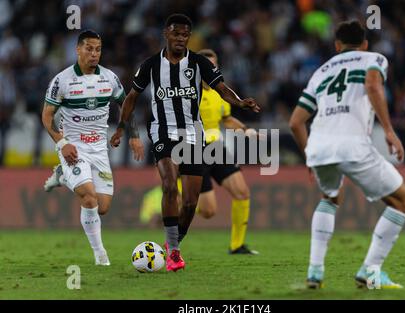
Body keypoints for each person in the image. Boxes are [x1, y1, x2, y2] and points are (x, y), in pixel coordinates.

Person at [110, 14, 260, 272]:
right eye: (176, 34)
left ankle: (174, 247)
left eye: (185, 35)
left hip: (194, 134)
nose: (180, 39)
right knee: (170, 185)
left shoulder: (199, 63)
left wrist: (239, 102)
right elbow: (132, 97)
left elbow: (223, 89)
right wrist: (122, 127)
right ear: (166, 34)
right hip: (162, 132)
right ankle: (173, 250)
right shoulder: (150, 65)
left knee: (191, 202)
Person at [289, 20, 405, 289]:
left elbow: (295, 122)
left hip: (320, 146)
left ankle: (315, 271)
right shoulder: (374, 58)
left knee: (331, 196)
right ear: (365, 43)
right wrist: (390, 131)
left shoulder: (321, 71)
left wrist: (310, 155)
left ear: (337, 46)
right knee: (403, 201)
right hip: (353, 144)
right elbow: (372, 86)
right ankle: (370, 272)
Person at [41, 30, 144, 266]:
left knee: (103, 207)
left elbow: (126, 105)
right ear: (77, 49)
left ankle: (62, 176)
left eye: (98, 49)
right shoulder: (62, 80)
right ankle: (100, 254)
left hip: (98, 149)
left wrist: (130, 134)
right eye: (88, 48)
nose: (94, 53)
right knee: (88, 197)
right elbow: (47, 116)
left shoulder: (109, 78)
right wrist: (62, 142)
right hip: (72, 147)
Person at [196, 49, 258, 255]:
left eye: (214, 67)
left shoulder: (220, 93)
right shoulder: (189, 93)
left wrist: (245, 129)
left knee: (242, 192)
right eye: (207, 67)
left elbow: (226, 119)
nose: (211, 70)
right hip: (192, 151)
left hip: (216, 148)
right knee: (208, 211)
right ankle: (177, 199)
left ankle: (237, 245)